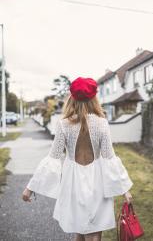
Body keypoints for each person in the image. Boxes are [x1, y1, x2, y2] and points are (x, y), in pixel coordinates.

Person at [22, 77, 133, 241]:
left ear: (72, 97)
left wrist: (30, 188)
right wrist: (125, 190)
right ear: (94, 98)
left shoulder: (63, 124)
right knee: (94, 234)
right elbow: (110, 158)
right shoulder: (102, 123)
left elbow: (53, 158)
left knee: (79, 232)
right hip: (97, 182)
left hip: (72, 182)